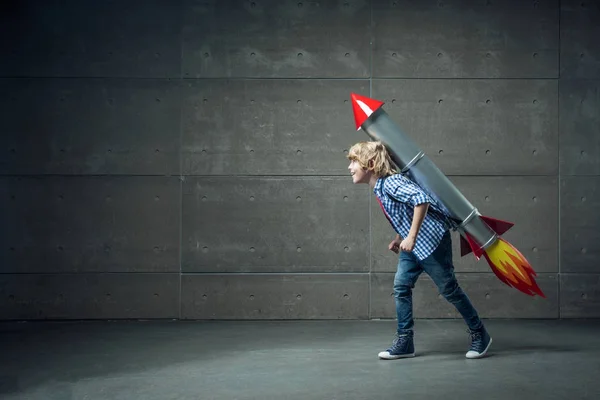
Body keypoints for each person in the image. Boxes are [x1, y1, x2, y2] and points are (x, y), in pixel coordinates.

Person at [347, 141, 492, 360]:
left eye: (353, 162)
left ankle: (480, 333)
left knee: (449, 290)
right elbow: (403, 213)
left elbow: (421, 200)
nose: (350, 167)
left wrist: (411, 237)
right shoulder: (380, 187)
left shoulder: (391, 182)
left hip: (431, 242)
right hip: (413, 245)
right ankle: (405, 341)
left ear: (370, 163)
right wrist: (399, 238)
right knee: (401, 287)